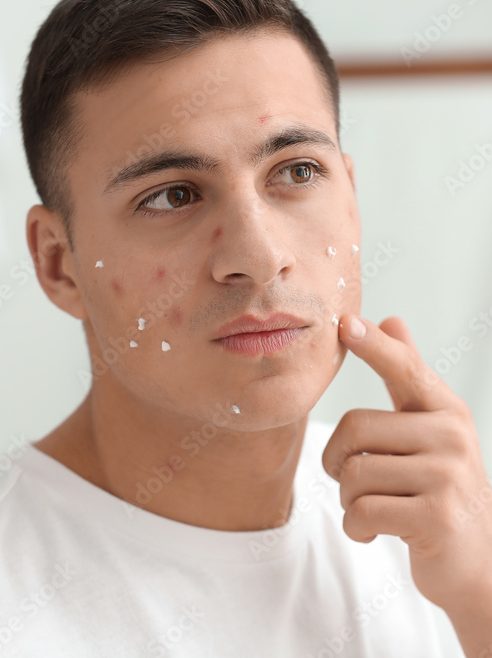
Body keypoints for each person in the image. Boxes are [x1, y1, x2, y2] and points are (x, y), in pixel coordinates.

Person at [1, 1, 487, 656]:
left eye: (295, 172)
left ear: (351, 196)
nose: (259, 257)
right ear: (59, 264)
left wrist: (478, 594)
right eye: (173, 194)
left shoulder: (435, 535)